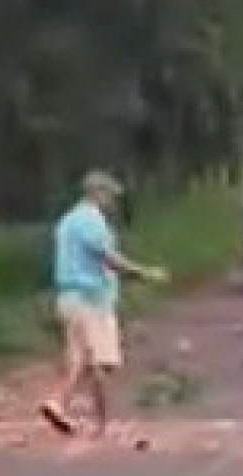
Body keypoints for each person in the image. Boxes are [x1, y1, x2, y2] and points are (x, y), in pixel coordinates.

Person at [41, 171, 166, 440]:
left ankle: (72, 410)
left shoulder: (68, 220)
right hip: (90, 299)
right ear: (98, 193)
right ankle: (82, 412)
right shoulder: (90, 222)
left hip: (71, 296)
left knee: (80, 358)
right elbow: (108, 258)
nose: (112, 202)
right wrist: (144, 273)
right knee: (99, 361)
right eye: (109, 196)